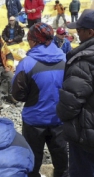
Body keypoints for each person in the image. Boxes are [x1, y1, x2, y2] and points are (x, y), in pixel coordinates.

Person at [12, 23, 68, 177]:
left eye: (29, 39)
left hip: (34, 120)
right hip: (59, 119)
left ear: (35, 41)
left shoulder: (27, 63)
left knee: (32, 159)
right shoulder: (65, 59)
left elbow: (17, 94)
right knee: (61, 158)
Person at [56, 9, 94, 176]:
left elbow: (69, 103)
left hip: (85, 136)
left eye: (79, 30)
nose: (77, 34)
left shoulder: (83, 61)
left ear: (90, 32)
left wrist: (60, 113)